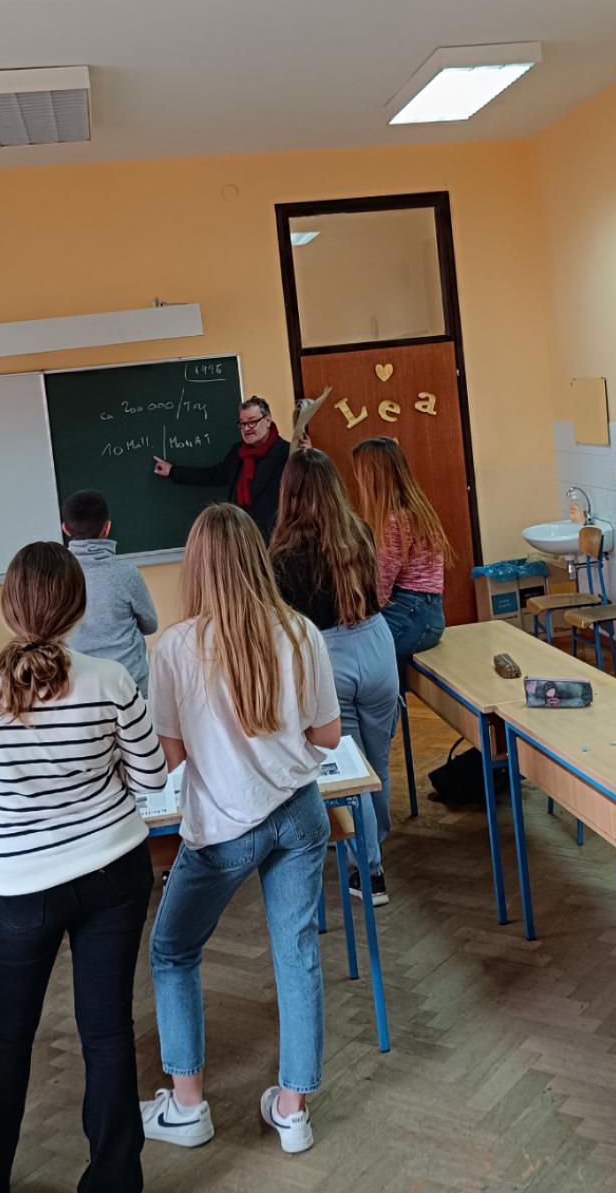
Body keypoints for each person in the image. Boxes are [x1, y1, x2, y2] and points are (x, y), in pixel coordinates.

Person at [0, 541, 167, 1193]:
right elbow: (152, 778)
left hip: (19, 885)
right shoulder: (110, 680)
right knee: (108, 1028)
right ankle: (115, 1180)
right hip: (113, 870)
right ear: (77, 609)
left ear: (7, 606)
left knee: (7, 1033)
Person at [139, 504, 341, 1155]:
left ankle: (188, 1106)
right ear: (258, 558)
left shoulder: (176, 648)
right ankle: (293, 1109)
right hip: (300, 814)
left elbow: (168, 756)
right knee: (297, 952)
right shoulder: (301, 632)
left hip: (224, 828)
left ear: (195, 567)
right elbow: (327, 734)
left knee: (173, 951)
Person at [270, 448, 399, 906]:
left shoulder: (282, 554)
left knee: (350, 770)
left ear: (289, 494)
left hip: (327, 656)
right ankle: (374, 839)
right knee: (377, 763)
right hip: (377, 646)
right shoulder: (360, 532)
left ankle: (369, 871)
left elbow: (285, 626)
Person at [350, 437, 448, 696]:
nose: (357, 480)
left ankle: (384, 716)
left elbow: (379, 590)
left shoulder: (395, 521)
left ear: (374, 477)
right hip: (423, 612)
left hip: (413, 613)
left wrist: (354, 615)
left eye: (360, 473)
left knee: (358, 659)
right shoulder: (414, 510)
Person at [63, 488, 161, 695]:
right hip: (131, 684)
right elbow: (151, 625)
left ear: (65, 529)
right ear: (107, 527)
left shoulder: (57, 575)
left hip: (81, 689)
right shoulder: (126, 574)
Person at [152, 395, 291, 540]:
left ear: (267, 420)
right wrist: (173, 471)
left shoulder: (287, 454)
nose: (246, 429)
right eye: (242, 424)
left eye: (252, 422)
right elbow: (214, 475)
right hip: (239, 535)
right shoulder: (238, 452)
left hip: (273, 539)